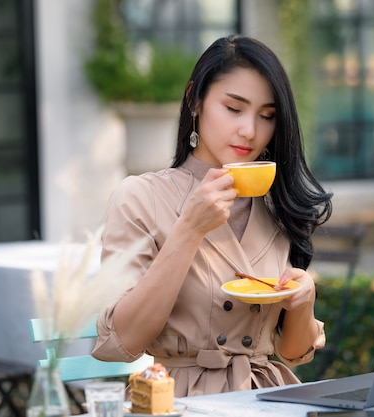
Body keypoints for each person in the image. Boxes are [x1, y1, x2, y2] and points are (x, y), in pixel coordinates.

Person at [92, 34, 333, 397]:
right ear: (195, 100)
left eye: (266, 116)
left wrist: (304, 299)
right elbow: (121, 342)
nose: (250, 131)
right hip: (181, 398)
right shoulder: (140, 196)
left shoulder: (275, 207)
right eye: (234, 109)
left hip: (266, 397)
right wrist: (189, 229)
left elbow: (294, 354)